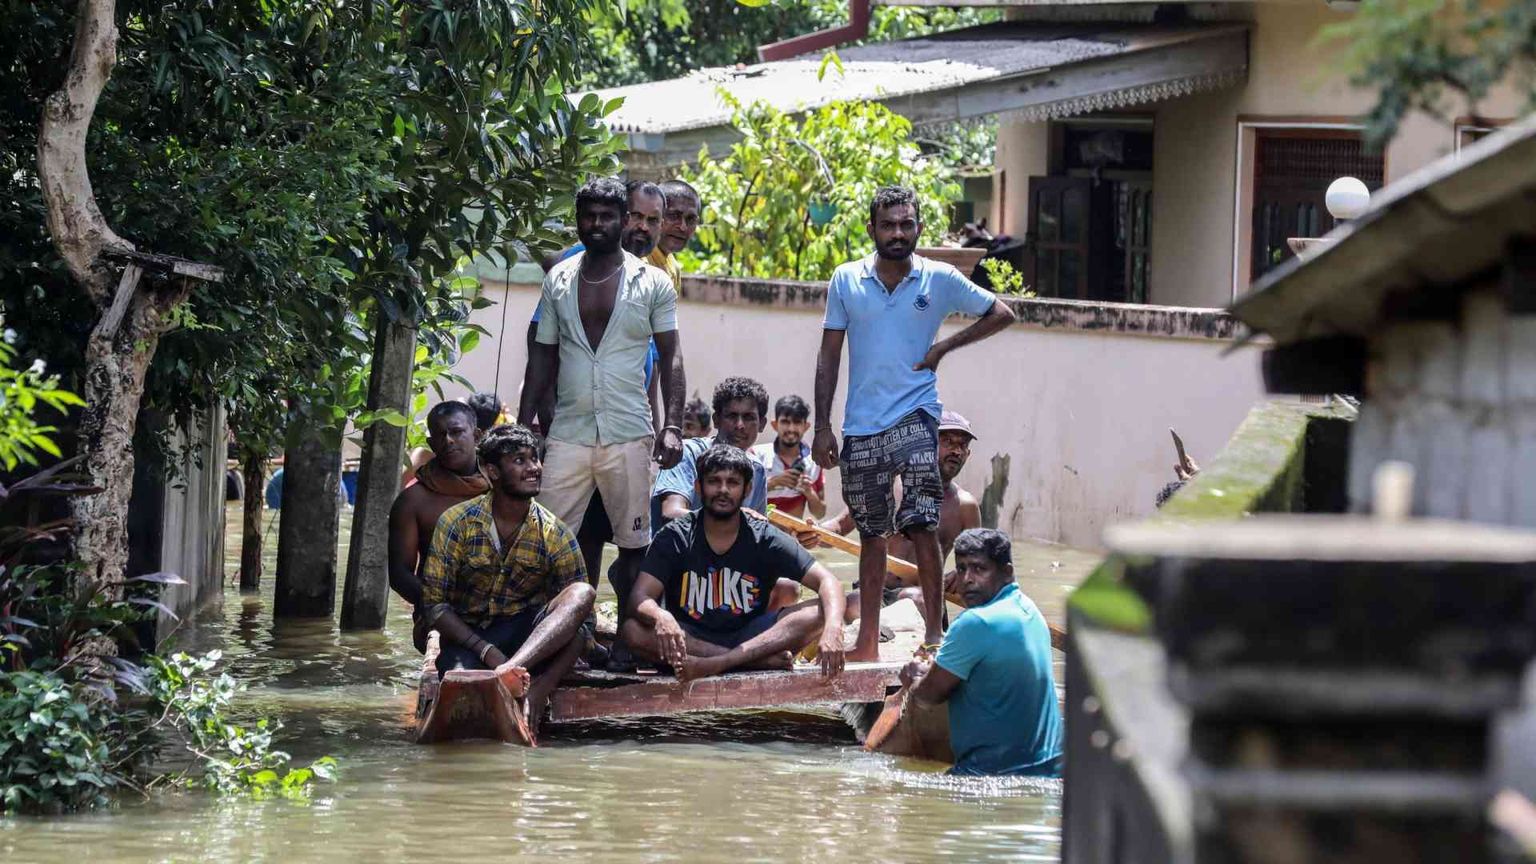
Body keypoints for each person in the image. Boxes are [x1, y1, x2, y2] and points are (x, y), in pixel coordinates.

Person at [813, 185, 1016, 661]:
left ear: (919, 228)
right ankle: (866, 642)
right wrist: (822, 426)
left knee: (923, 520)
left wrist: (945, 347)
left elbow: (1001, 312)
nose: (898, 233)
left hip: (917, 412)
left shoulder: (939, 278)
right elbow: (828, 356)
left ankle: (933, 636)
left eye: (907, 224)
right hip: (861, 425)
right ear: (872, 229)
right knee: (871, 532)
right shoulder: (846, 279)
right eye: (889, 224)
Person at [517, 177, 686, 662]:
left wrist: (671, 424)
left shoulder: (652, 281)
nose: (597, 225)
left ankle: (629, 645)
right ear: (579, 221)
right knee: (547, 541)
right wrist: (524, 426)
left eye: (607, 216)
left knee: (634, 546)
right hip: (566, 432)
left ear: (621, 220)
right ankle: (554, 640)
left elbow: (673, 357)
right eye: (588, 216)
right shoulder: (559, 280)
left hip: (629, 432)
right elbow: (541, 358)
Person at [419, 425, 596, 742]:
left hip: (528, 640)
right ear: (492, 472)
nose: (533, 468)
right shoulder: (456, 523)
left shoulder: (555, 533)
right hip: (470, 636)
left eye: (534, 459)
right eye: (519, 460)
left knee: (582, 593)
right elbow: (435, 607)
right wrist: (487, 652)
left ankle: (512, 674)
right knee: (464, 691)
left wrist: (540, 689)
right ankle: (505, 674)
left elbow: (584, 626)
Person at [623, 444, 845, 681]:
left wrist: (833, 628)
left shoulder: (764, 536)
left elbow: (827, 581)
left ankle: (719, 663)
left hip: (752, 638)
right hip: (692, 638)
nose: (723, 490)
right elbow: (639, 597)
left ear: (747, 489)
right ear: (699, 487)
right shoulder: (675, 536)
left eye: (733, 482)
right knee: (632, 631)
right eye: (714, 481)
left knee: (819, 612)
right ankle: (750, 663)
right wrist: (661, 616)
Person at [899, 528, 1063, 777]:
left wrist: (913, 677)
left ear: (1006, 572)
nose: (967, 579)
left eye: (979, 569)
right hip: (1050, 772)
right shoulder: (1030, 611)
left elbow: (927, 696)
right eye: (962, 568)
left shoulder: (974, 622)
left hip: (988, 777)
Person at [818, 410, 983, 615]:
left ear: (968, 454)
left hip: (923, 600)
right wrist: (809, 533)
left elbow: (980, 566)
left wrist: (961, 574)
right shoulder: (886, 483)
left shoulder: (965, 506)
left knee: (916, 600)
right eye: (948, 441)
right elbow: (839, 527)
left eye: (962, 445)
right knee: (852, 604)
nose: (956, 451)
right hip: (873, 591)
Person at [388, 401, 492, 651]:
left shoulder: (502, 484)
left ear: (476, 436)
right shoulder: (413, 500)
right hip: (440, 613)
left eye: (456, 432)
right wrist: (443, 607)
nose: (448, 441)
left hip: (504, 608)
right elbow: (400, 574)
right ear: (432, 444)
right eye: (440, 436)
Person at [652, 376, 769, 531]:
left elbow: (757, 531)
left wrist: (794, 534)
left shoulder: (757, 470)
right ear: (716, 420)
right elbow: (671, 514)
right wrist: (734, 518)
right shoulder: (687, 454)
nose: (740, 425)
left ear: (762, 424)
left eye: (748, 417)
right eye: (732, 416)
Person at [750, 394, 826, 520]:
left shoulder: (814, 461)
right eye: (785, 422)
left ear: (806, 426)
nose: (791, 429)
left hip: (791, 537)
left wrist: (809, 492)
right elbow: (741, 498)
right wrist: (773, 483)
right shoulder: (756, 455)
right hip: (757, 533)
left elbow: (820, 513)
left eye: (797, 422)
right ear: (775, 425)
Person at [649, 179, 702, 284]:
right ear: (655, 216)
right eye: (673, 216)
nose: (683, 227)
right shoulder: (638, 264)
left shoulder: (673, 269)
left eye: (690, 219)